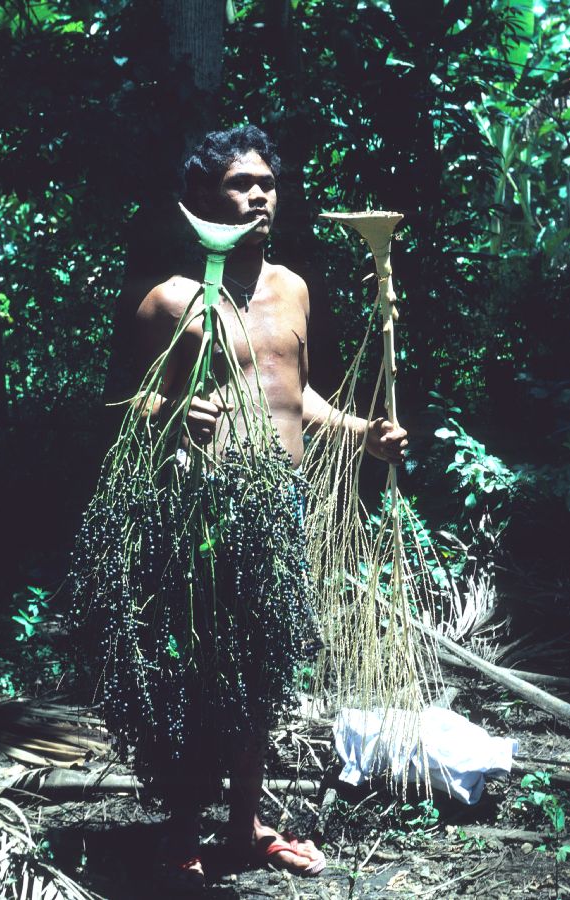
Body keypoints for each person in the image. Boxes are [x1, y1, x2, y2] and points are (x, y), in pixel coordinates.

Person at [133, 125, 407, 889]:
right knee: (204, 673)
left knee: (263, 672)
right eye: (237, 184)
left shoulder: (294, 289)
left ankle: (245, 823)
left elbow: (299, 397)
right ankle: (184, 825)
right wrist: (164, 412)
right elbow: (118, 399)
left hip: (278, 505)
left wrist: (364, 434)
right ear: (199, 199)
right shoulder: (171, 300)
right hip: (203, 505)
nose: (257, 194)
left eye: (266, 183)